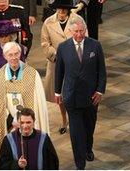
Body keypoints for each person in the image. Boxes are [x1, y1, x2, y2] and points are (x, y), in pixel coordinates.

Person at [0, 42, 49, 170]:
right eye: (10, 55)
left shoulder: (32, 75)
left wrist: (23, 121)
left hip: (28, 124)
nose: (14, 57)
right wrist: (11, 121)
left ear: (20, 54)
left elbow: (38, 104)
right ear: (5, 56)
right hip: (8, 126)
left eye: (16, 54)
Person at [55, 16, 106, 169]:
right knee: (76, 133)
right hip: (71, 97)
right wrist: (57, 92)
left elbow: (102, 71)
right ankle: (80, 163)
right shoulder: (63, 47)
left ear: (85, 30)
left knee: (89, 127)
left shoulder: (95, 46)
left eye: (81, 31)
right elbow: (59, 72)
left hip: (91, 97)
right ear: (70, 32)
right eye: (76, 31)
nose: (79, 34)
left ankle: (88, 148)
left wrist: (100, 91)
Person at [41, 0, 86, 134]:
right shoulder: (48, 22)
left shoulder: (77, 19)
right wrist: (57, 55)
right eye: (59, 9)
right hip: (56, 63)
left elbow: (85, 38)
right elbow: (45, 43)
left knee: (74, 92)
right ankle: (63, 119)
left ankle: (74, 119)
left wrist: (75, 56)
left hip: (74, 64)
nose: (61, 12)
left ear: (68, 10)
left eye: (64, 10)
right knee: (59, 93)